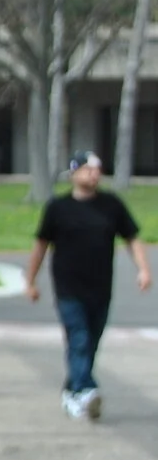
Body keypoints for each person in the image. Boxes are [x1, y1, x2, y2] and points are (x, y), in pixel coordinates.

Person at [23, 151, 150, 421]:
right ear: (74, 173)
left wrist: (143, 270)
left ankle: (72, 392)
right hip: (69, 288)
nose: (94, 174)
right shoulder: (58, 208)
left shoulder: (111, 205)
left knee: (90, 342)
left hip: (101, 287)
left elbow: (132, 238)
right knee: (79, 338)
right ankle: (86, 389)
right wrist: (31, 280)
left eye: (97, 169)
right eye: (88, 169)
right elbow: (41, 245)